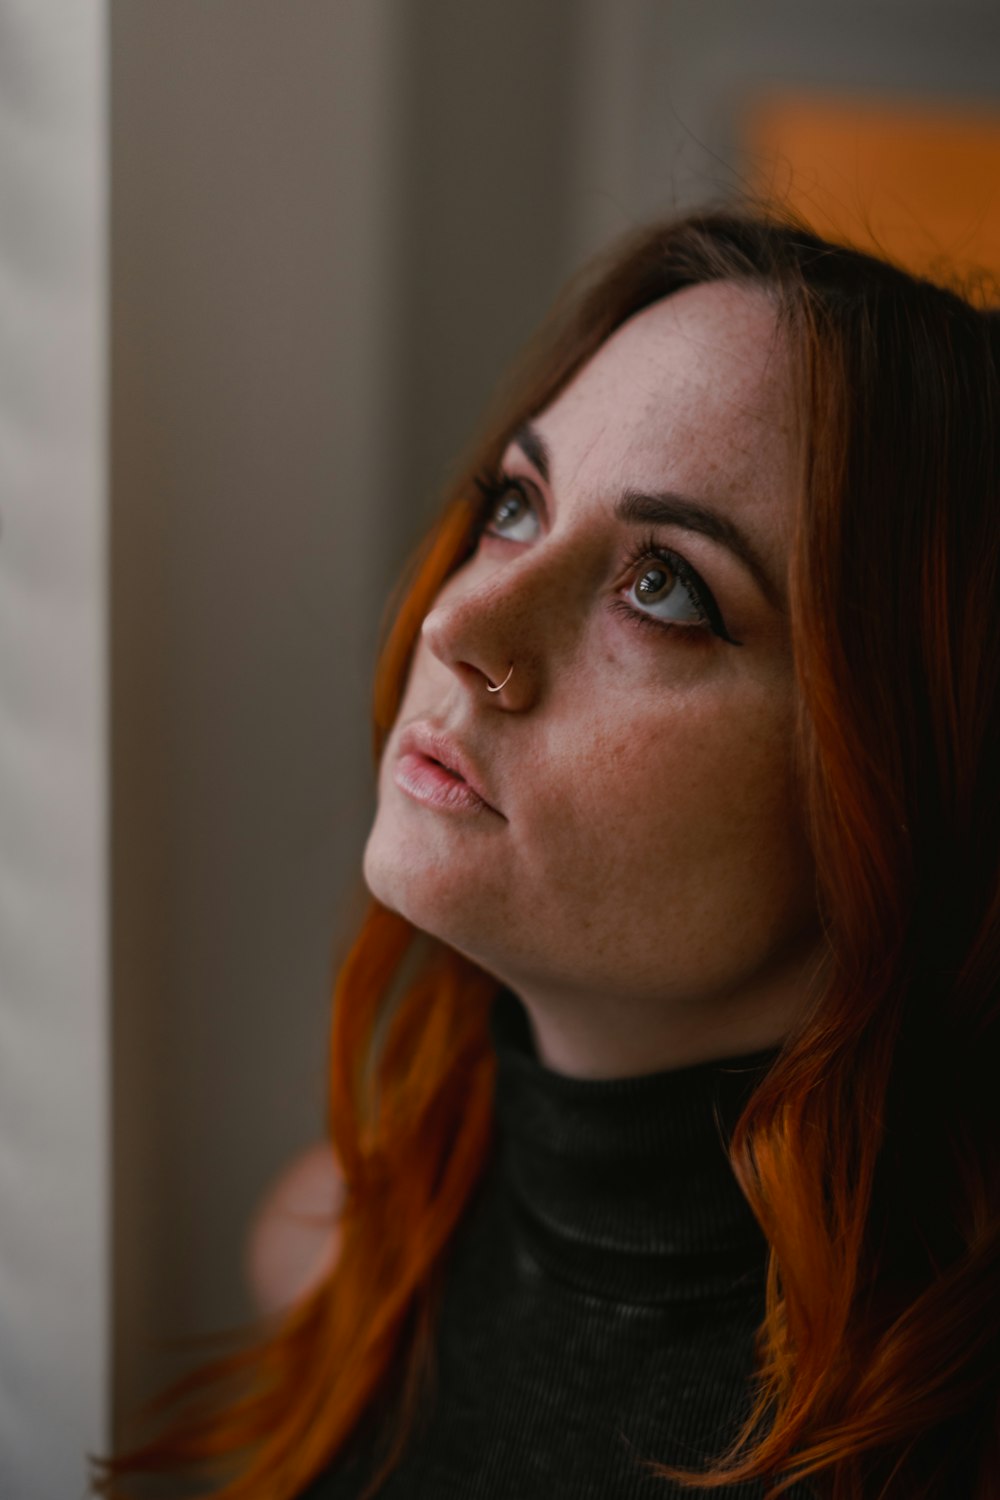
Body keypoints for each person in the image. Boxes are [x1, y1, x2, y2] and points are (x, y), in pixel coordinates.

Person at [91, 209, 1000, 1499]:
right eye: (515, 505)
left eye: (666, 587)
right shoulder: (343, 1255)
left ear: (905, 793)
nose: (464, 614)